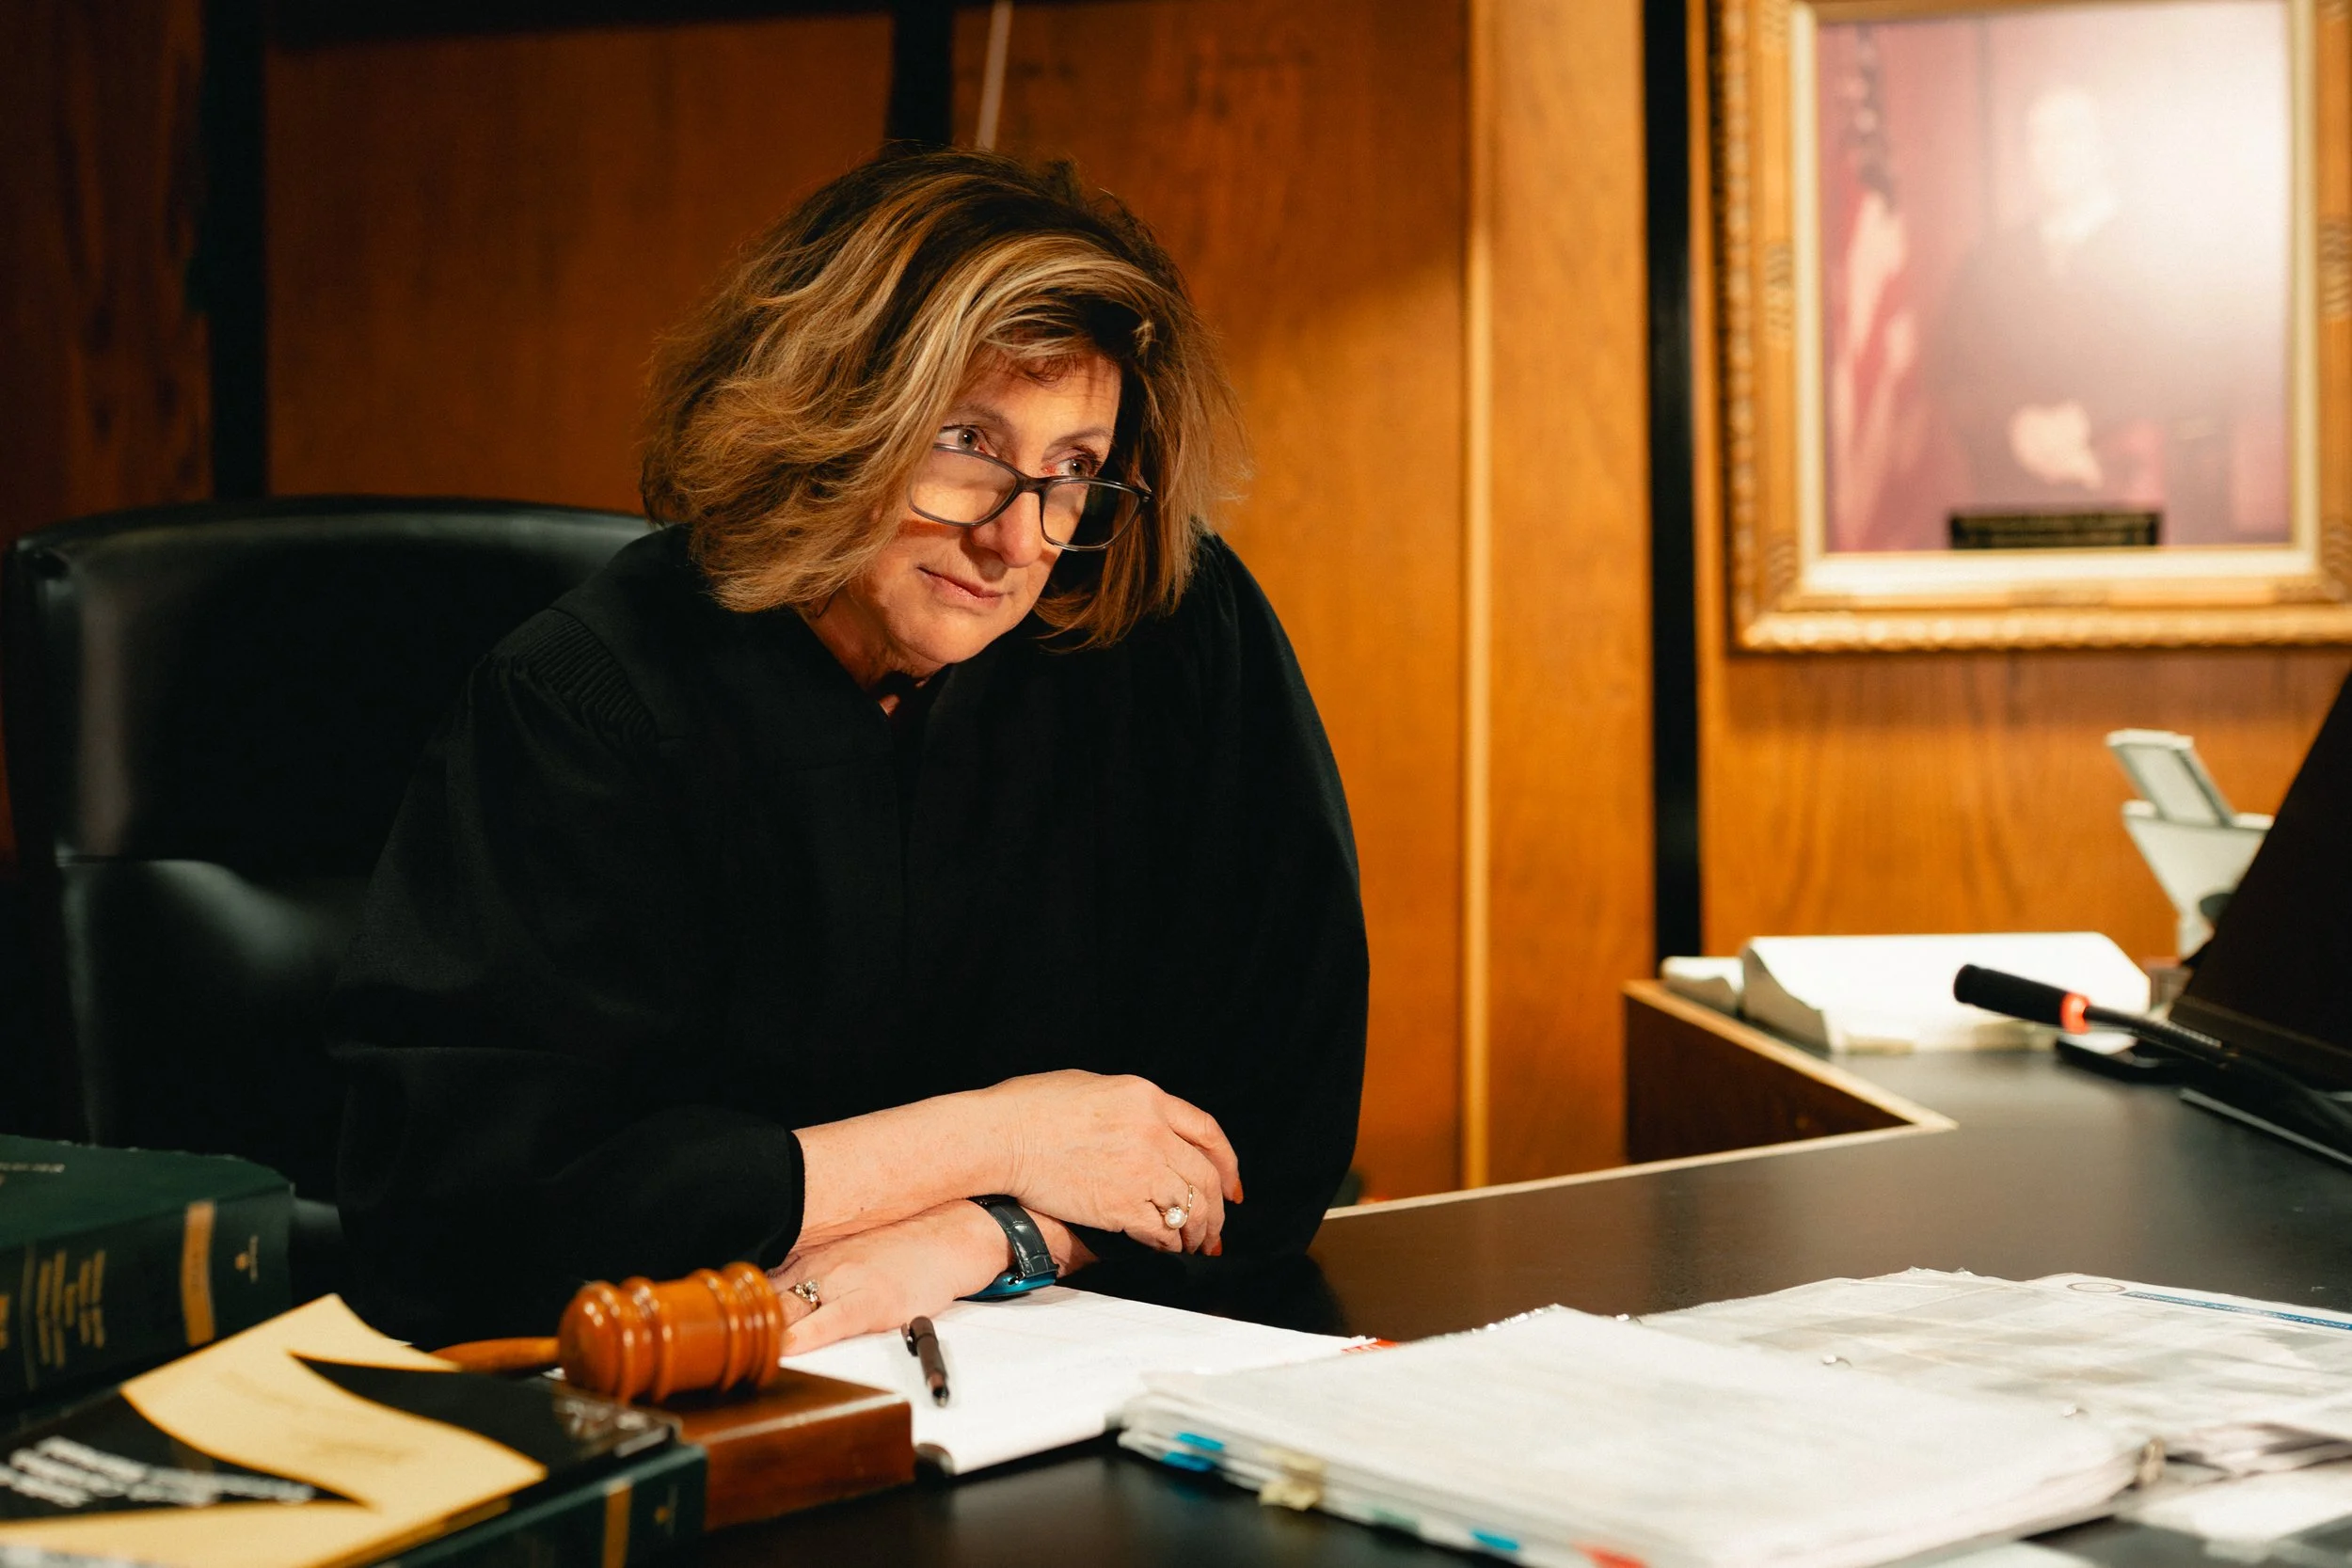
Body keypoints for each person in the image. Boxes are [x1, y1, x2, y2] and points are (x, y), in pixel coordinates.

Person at [328, 149, 1369, 1352]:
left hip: (1083, 1384)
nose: (1017, 537)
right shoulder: (587, 698)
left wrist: (983, 1238)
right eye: (968, 440)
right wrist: (1003, 1139)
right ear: (829, 415)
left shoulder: (1169, 630)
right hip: (686, 1399)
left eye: (1074, 467)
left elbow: (1272, 1137)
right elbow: (467, 1218)